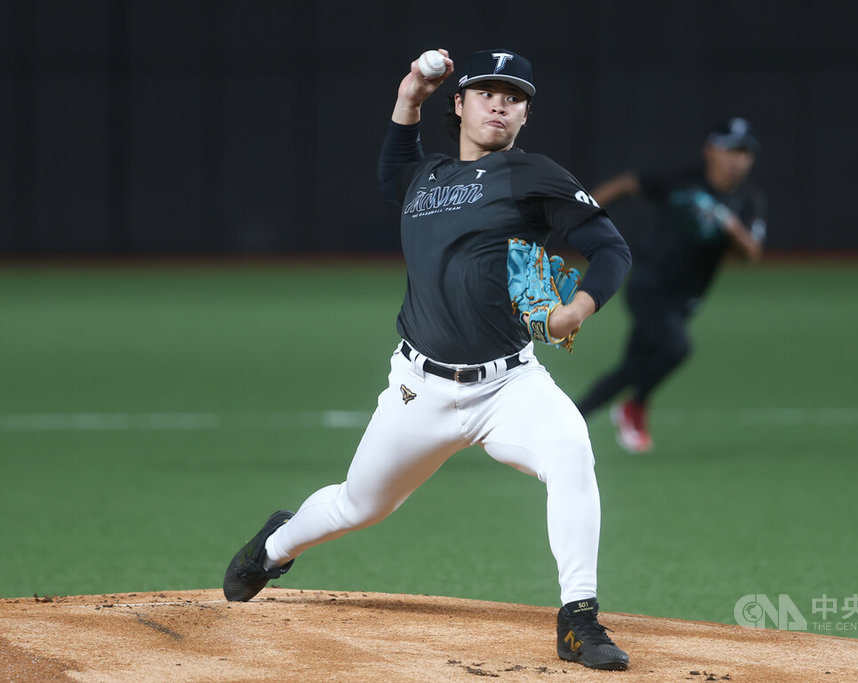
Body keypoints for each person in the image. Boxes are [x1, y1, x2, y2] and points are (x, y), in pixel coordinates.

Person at [222, 48, 633, 671]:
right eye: (487, 93)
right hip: (419, 388)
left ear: (525, 116)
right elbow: (393, 163)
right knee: (359, 505)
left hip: (509, 386)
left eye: (514, 98)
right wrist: (410, 92)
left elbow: (611, 248)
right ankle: (273, 547)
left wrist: (579, 307)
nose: (500, 105)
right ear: (460, 104)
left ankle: (578, 619)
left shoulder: (533, 175)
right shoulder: (423, 178)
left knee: (572, 450)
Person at [575, 118, 766, 453]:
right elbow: (628, 184)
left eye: (744, 153)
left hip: (686, 299)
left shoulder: (747, 200)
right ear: (711, 150)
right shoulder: (683, 181)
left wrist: (731, 227)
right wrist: (581, 212)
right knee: (675, 348)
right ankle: (629, 407)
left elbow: (749, 255)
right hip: (648, 286)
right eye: (730, 150)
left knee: (632, 367)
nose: (737, 160)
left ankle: (578, 417)